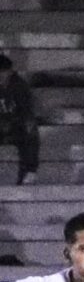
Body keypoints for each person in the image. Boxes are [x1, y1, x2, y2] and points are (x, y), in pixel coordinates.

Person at [0, 53, 39, 185]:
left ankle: (30, 171)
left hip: (16, 127)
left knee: (30, 128)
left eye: (3, 72)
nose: (0, 76)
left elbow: (26, 113)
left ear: (9, 72)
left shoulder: (19, 87)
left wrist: (11, 123)